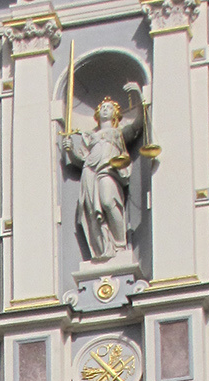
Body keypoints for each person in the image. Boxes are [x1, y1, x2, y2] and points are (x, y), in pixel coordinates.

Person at [61, 88, 144, 262]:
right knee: (91, 211)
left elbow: (138, 124)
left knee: (108, 201)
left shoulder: (118, 133)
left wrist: (139, 97)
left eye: (109, 107)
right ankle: (101, 250)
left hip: (108, 170)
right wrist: (70, 150)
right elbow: (81, 159)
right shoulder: (90, 136)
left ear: (116, 114)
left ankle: (119, 245)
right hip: (89, 172)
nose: (105, 109)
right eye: (103, 107)